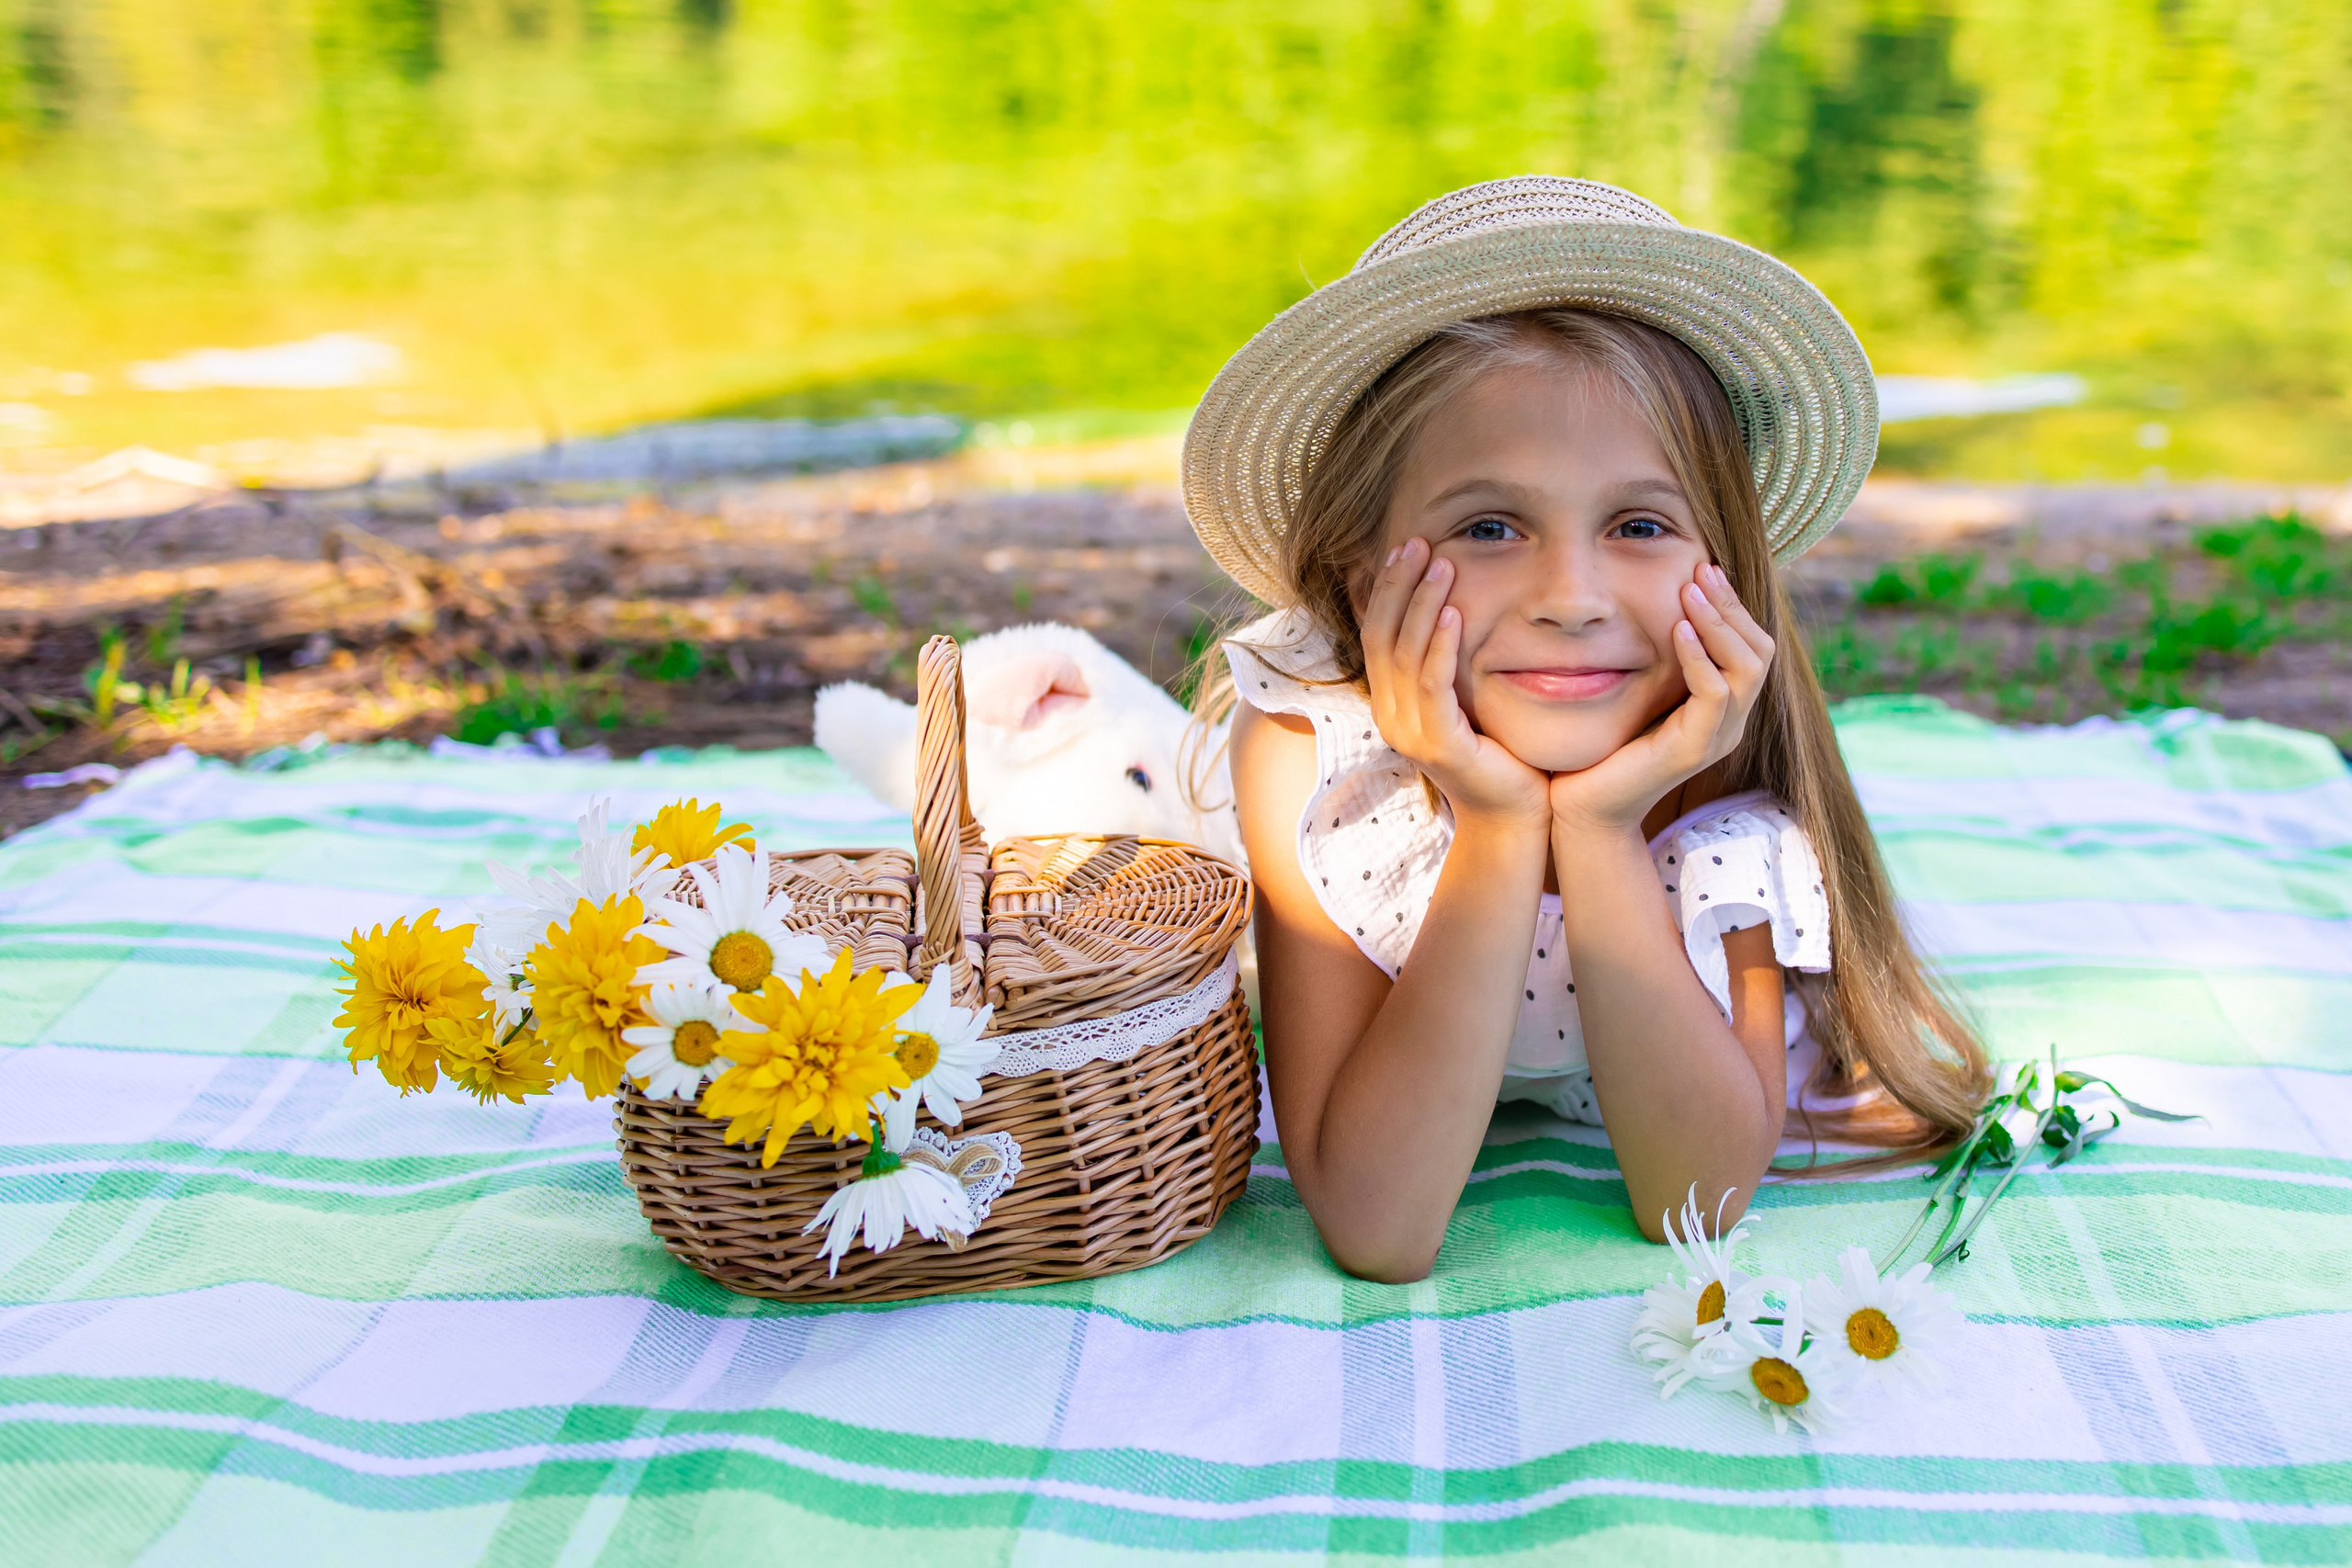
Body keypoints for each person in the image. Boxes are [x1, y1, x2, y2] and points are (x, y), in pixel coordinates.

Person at [1179, 177, 1991, 1282]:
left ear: (1722, 566)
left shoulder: (1706, 752)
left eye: (1640, 523)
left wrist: (1602, 831)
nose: (1571, 596)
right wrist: (1497, 822)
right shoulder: (1311, 755)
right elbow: (1379, 1225)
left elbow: (1690, 1202)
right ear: (1359, 562)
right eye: (1491, 525)